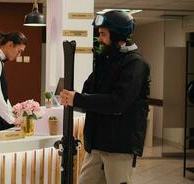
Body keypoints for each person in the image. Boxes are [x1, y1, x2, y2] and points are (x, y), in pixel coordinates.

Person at [60, 10, 150, 184]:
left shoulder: (136, 64)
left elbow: (118, 103)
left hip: (119, 145)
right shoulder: (106, 61)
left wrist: (78, 99)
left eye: (103, 34)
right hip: (97, 144)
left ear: (116, 35)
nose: (99, 39)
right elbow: (88, 90)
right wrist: (79, 98)